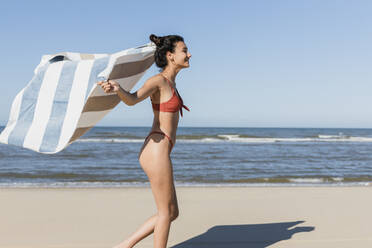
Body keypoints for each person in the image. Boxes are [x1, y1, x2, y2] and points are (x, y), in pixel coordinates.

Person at [97, 34, 191, 248]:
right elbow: (132, 99)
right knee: (166, 213)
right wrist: (118, 89)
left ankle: (123, 246)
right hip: (156, 149)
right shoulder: (158, 81)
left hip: (160, 149)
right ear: (170, 55)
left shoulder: (171, 83)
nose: (189, 54)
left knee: (172, 212)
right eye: (184, 50)